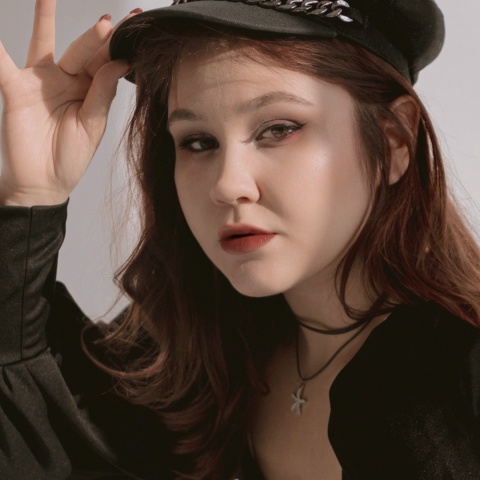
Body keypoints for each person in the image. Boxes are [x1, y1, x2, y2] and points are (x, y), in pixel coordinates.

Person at [0, 0, 479, 479]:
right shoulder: (184, 361)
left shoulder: (459, 380)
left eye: (278, 129)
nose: (227, 185)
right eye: (198, 142)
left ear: (394, 140)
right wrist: (29, 199)